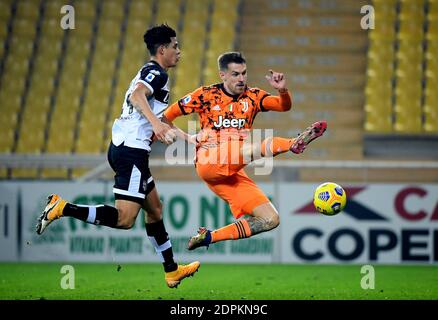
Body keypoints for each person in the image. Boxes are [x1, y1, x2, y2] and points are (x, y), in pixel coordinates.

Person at [36, 24, 200, 288]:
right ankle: (62, 207)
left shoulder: (151, 72)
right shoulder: (156, 72)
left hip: (125, 147)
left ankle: (171, 270)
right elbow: (137, 97)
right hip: (131, 151)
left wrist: (188, 138)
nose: (179, 52)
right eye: (175, 46)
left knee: (155, 210)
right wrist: (157, 127)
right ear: (162, 50)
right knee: (125, 220)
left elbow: (156, 114)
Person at [163, 51, 327, 250]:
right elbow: (165, 117)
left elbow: (284, 107)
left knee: (270, 219)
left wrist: (282, 90)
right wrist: (188, 138)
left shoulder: (253, 96)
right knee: (249, 147)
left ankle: (208, 237)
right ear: (222, 75)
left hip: (233, 168)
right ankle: (293, 143)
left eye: (244, 73)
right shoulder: (206, 95)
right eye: (235, 74)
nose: (241, 79)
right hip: (209, 159)